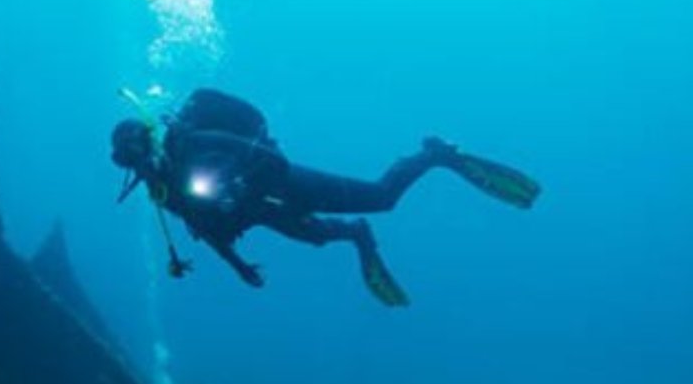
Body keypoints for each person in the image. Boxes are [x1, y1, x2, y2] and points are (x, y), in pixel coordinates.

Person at [110, 89, 540, 306]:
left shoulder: (198, 142)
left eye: (139, 152)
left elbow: (269, 161)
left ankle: (435, 155)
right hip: (261, 212)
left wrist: (239, 184)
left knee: (383, 197)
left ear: (150, 139)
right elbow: (204, 227)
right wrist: (238, 265)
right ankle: (357, 236)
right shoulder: (161, 192)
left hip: (287, 186)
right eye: (128, 161)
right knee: (318, 238)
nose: (140, 164)